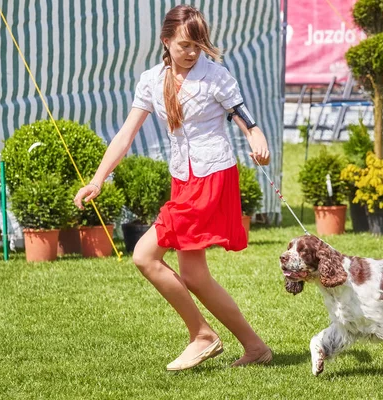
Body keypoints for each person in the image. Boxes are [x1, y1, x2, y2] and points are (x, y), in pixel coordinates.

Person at [74, 5, 272, 371]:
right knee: (195, 276)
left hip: (212, 178)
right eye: (184, 45)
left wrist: (258, 139)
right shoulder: (151, 80)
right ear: (166, 41)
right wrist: (97, 179)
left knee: (145, 256)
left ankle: (202, 336)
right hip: (182, 179)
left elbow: (246, 120)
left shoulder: (216, 76)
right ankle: (255, 347)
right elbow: (125, 135)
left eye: (198, 44)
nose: (192, 51)